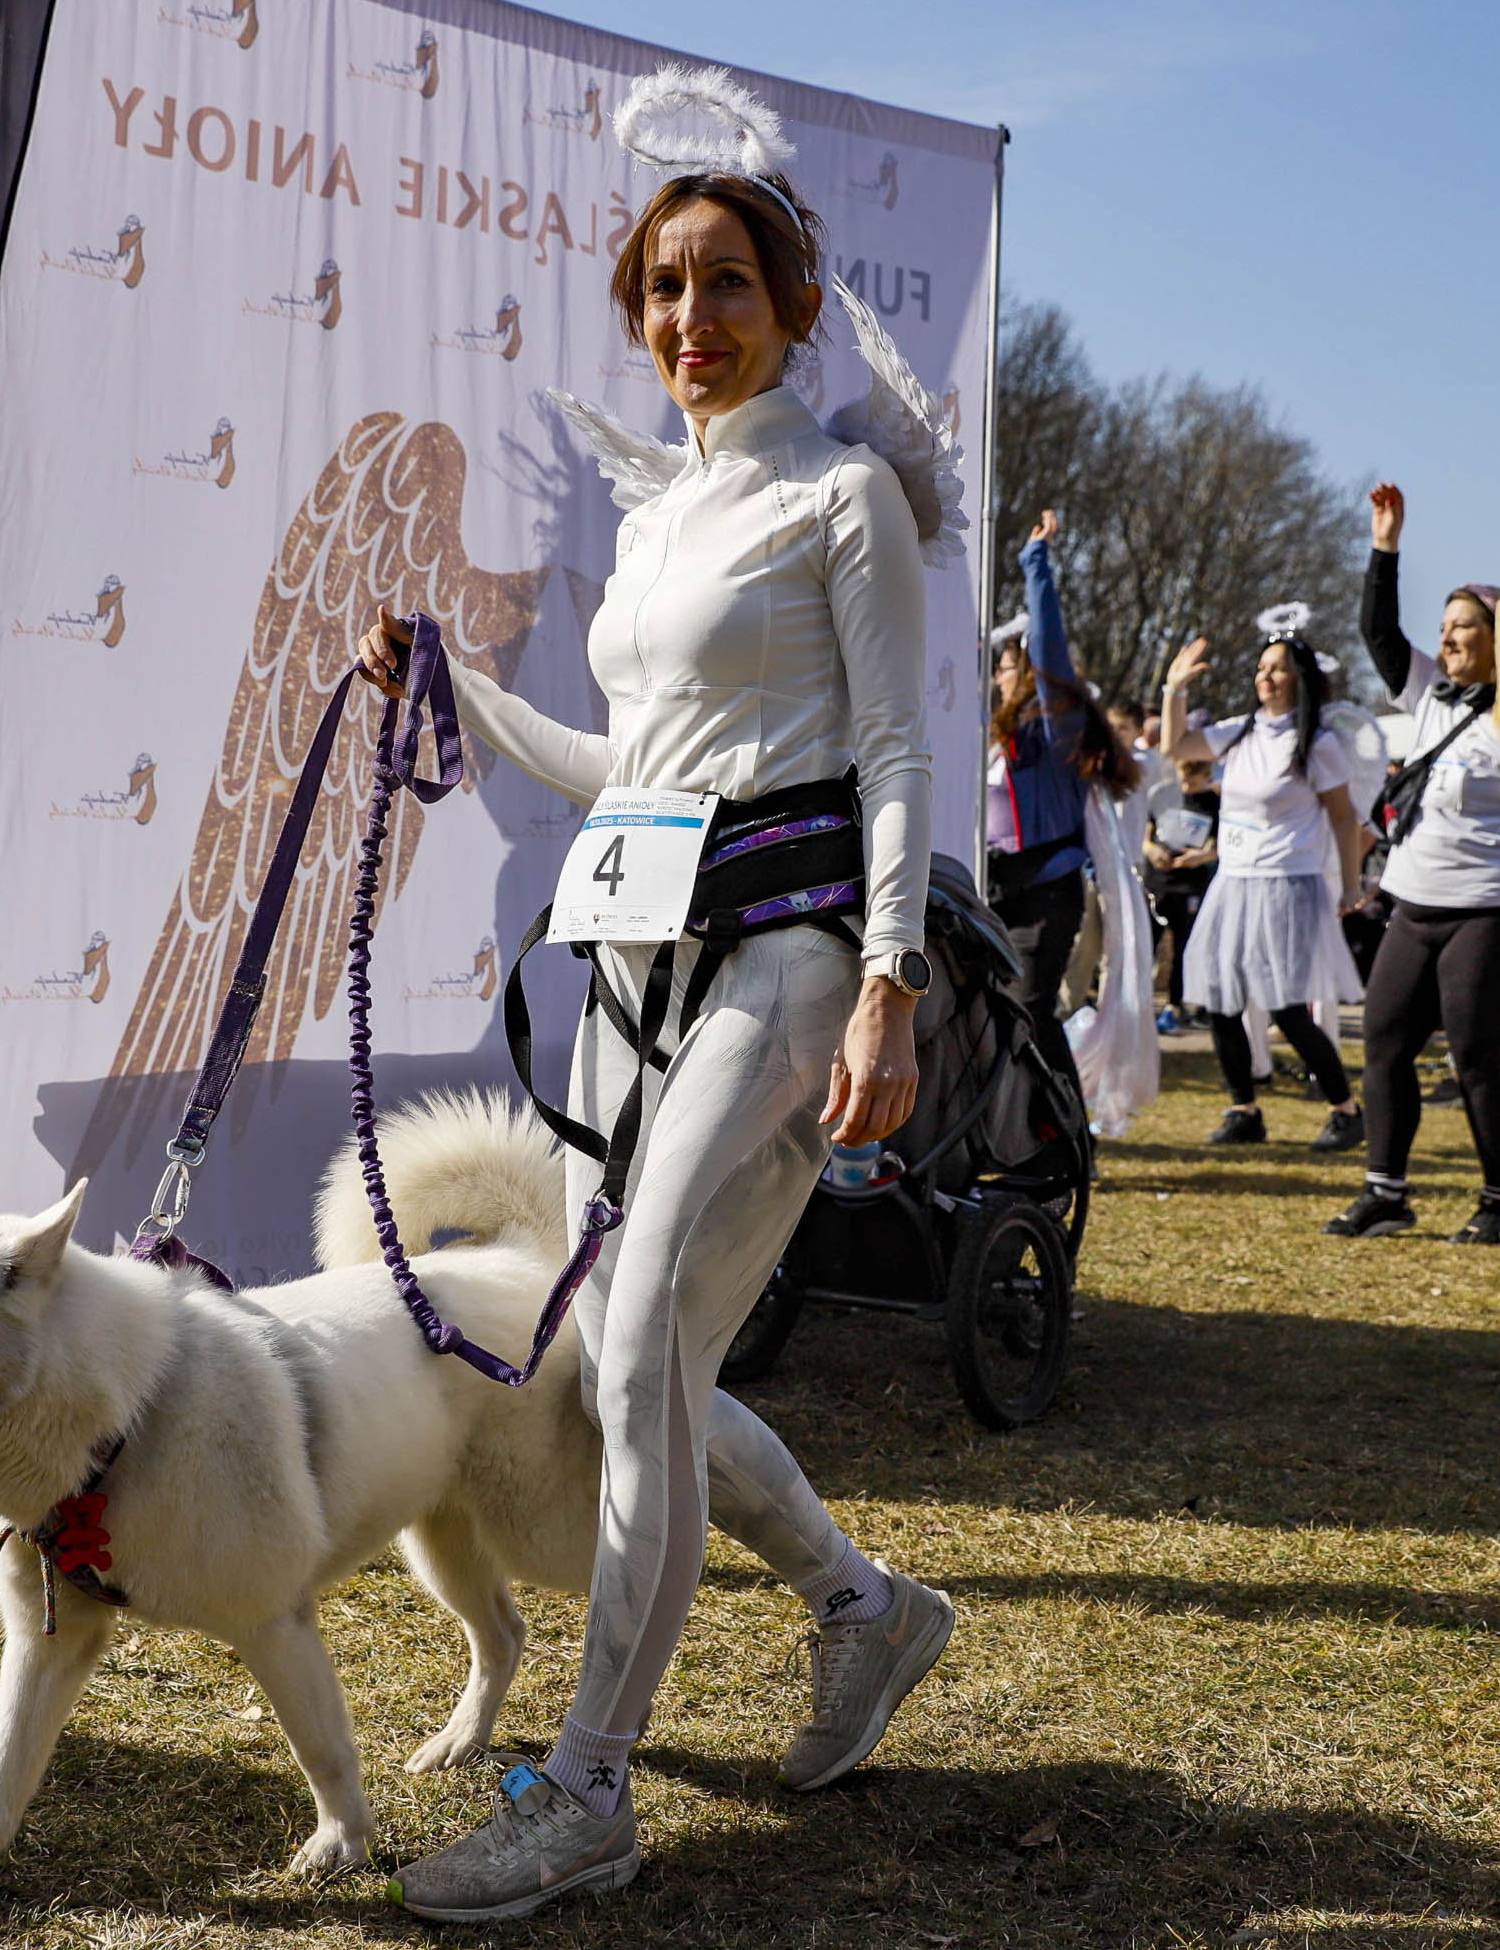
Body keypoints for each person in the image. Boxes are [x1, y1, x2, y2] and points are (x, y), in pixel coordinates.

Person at [356, 103, 949, 1920]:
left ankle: (588, 1786)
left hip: (788, 957)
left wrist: (891, 985)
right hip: (637, 960)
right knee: (642, 1367)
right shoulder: (674, 509)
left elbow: (892, 748)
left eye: (727, 283)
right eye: (664, 286)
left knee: (626, 1368)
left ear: (792, 303)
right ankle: (864, 1605)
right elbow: (630, 761)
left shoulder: (838, 494)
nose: (692, 315)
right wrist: (457, 683)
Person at [1326, 484, 1500, 1245]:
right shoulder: (1432, 698)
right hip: (1415, 902)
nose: (1447, 640)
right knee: (1383, 1043)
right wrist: (1385, 546)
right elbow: (1377, 631)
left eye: (1463, 627)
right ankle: (1387, 1193)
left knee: (1476, 1060)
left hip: (1494, 912)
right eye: (1442, 628)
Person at [1158, 612, 1368, 1152]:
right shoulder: (1240, 732)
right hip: (1234, 881)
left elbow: (1344, 819)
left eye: (1276, 669)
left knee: (1285, 1007)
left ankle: (1346, 1110)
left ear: (1298, 678)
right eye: (1260, 669)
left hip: (1287, 883)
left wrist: (1350, 885)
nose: (1264, 678)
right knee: (1221, 997)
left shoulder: (1316, 743)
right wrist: (1174, 689)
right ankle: (1243, 1109)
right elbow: (1176, 747)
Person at [989, 512, 1132, 1057]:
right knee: (988, 1019)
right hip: (995, 893)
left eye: (1005, 669)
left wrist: (1036, 564)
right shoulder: (994, 740)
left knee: (1031, 1017)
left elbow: (1048, 650)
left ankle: (1063, 1133)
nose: (997, 679)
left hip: (1048, 894)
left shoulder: (1058, 728)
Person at [1143, 744, 1219, 1026]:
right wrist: (1151, 850)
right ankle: (1141, 1004)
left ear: (1207, 776)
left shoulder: (1214, 802)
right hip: (1157, 883)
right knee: (1147, 943)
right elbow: (1146, 836)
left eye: (1194, 782)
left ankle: (1175, 1005)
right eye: (1182, 779)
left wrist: (1203, 856)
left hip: (1190, 886)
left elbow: (1220, 845)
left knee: (1184, 948)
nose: (1186, 787)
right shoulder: (1162, 794)